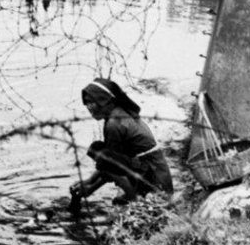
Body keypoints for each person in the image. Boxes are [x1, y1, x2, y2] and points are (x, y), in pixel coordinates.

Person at [70, 77, 173, 208]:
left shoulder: (114, 124)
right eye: (87, 103)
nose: (88, 107)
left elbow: (110, 165)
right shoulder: (119, 113)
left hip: (154, 178)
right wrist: (90, 181)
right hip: (153, 169)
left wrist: (91, 188)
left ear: (105, 101)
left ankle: (133, 198)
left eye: (92, 102)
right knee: (98, 149)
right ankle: (133, 192)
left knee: (104, 156)